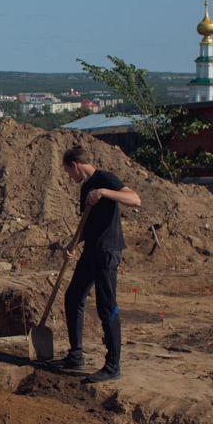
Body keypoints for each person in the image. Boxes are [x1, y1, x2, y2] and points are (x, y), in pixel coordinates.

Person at [51, 145, 141, 383]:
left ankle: (113, 365)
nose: (70, 178)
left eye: (69, 173)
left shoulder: (104, 178)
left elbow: (135, 199)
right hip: (91, 250)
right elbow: (86, 224)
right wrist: (71, 244)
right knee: (73, 297)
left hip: (108, 251)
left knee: (106, 305)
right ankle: (76, 356)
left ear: (75, 165)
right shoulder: (85, 188)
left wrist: (104, 192)